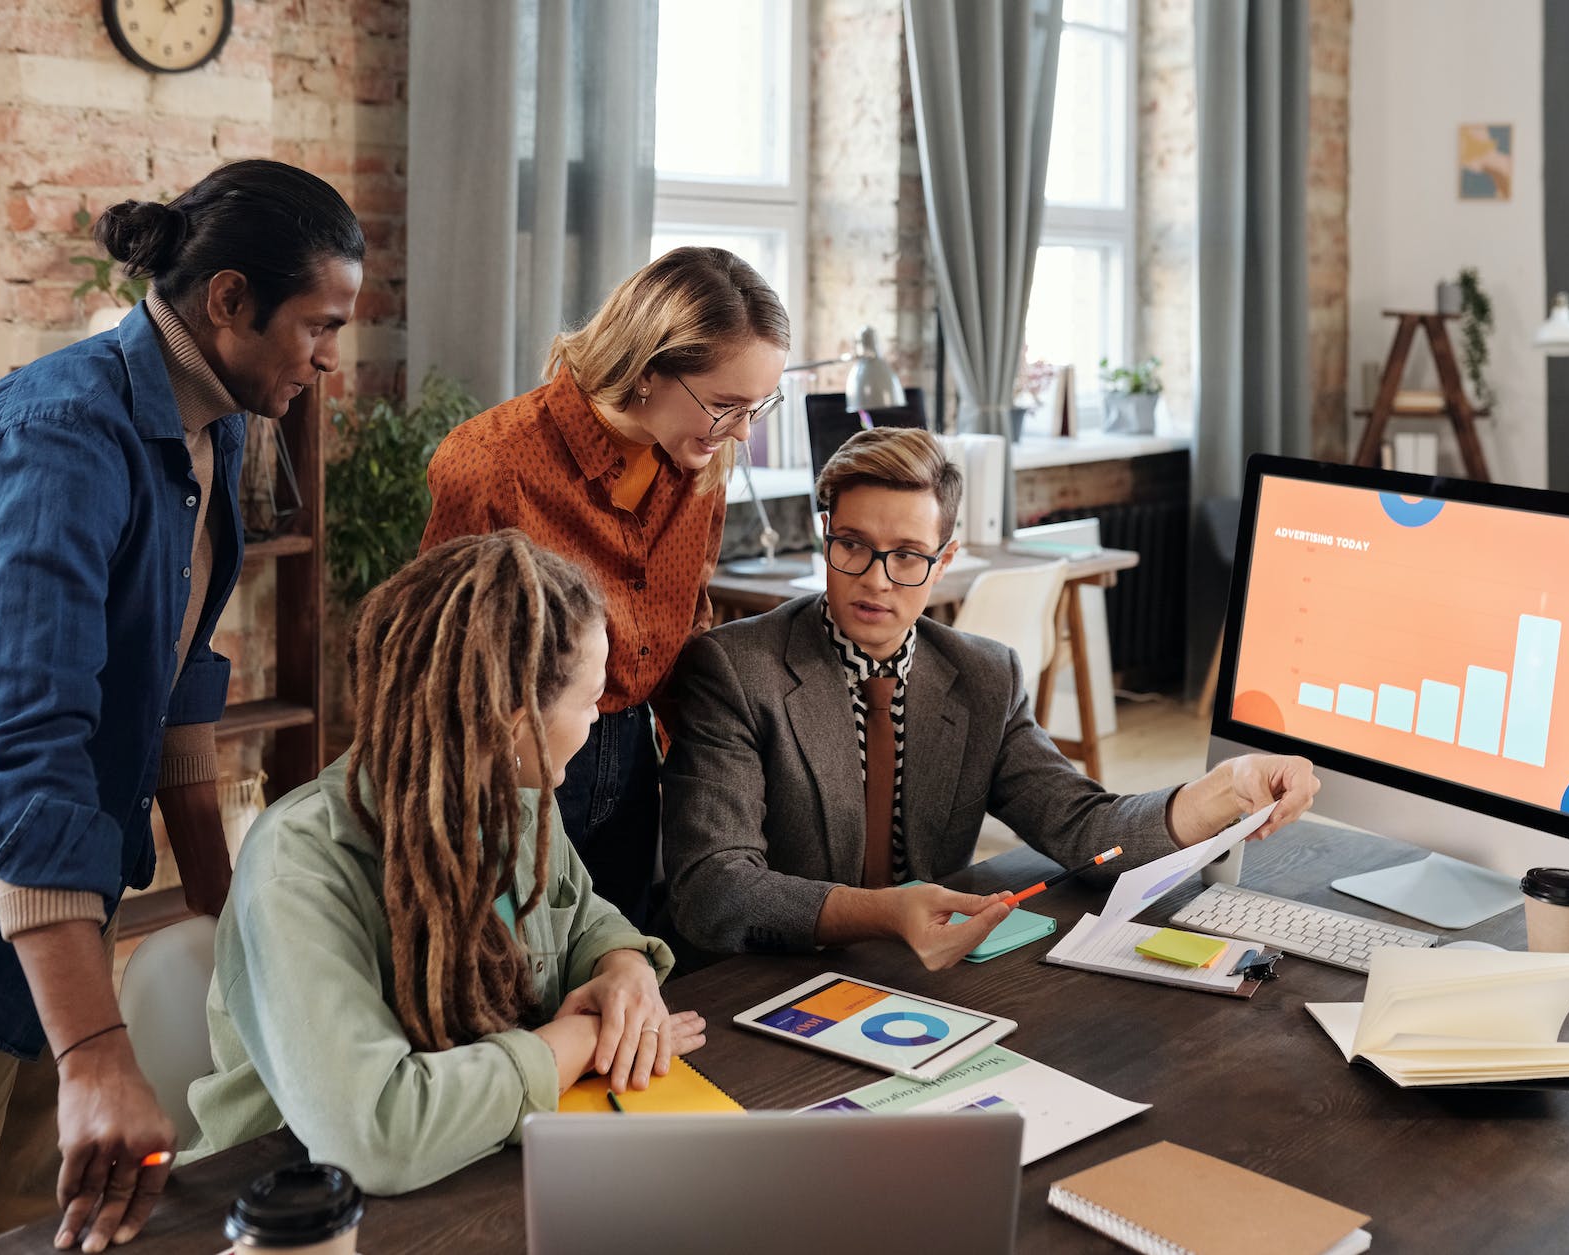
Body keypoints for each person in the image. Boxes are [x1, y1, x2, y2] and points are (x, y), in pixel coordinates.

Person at [0, 160, 363, 1255]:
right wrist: (95, 1051)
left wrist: (226, 916)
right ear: (228, 300)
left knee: (33, 1231)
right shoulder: (57, 441)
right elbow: (29, 746)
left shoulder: (209, 429)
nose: (331, 357)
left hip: (47, 916)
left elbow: (169, 678)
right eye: (319, 324)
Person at [662, 428, 1322, 967]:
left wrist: (1223, 789)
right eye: (853, 546)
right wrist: (881, 913)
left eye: (908, 556)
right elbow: (714, 889)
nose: (876, 580)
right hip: (760, 982)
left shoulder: (983, 676)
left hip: (926, 981)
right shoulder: (735, 668)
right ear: (824, 536)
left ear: (944, 562)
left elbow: (1084, 827)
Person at [184, 532, 706, 1195]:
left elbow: (581, 920)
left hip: (476, 1181)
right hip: (283, 1209)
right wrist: (571, 1043)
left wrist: (623, 967)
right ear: (517, 724)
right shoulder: (300, 865)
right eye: (590, 700)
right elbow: (376, 1135)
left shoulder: (510, 803)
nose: (599, 719)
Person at [420, 246, 789, 927]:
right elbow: (441, 669)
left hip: (632, 752)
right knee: (516, 975)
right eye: (725, 404)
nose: (741, 430)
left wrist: (721, 772)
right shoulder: (491, 463)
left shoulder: (702, 459)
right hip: (516, 764)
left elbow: (689, 622)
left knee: (617, 964)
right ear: (649, 372)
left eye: (756, 407)